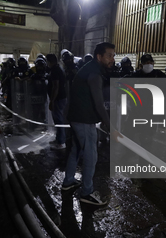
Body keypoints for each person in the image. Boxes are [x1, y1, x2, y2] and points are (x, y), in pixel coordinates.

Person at [62, 42, 122, 205]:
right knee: (90, 155)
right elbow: (99, 104)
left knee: (75, 150)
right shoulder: (94, 74)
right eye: (109, 55)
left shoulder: (90, 68)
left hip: (76, 117)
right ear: (99, 57)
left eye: (113, 55)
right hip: (84, 120)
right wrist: (112, 129)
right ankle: (86, 193)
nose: (112, 59)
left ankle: (68, 181)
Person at [46, 53, 67, 149]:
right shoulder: (58, 69)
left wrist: (52, 101)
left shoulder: (55, 70)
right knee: (58, 120)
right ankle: (59, 138)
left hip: (58, 99)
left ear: (50, 61)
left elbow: (55, 86)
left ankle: (61, 142)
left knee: (58, 120)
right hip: (60, 98)